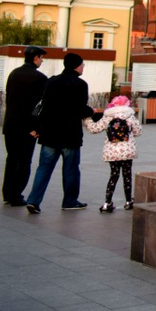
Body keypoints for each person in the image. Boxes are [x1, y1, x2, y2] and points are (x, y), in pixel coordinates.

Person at [25, 53, 95, 213]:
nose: (83, 67)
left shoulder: (51, 81)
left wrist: (38, 127)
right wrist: (92, 111)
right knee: (70, 169)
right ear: (76, 66)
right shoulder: (80, 85)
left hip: (49, 134)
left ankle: (33, 200)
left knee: (44, 167)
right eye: (82, 65)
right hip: (70, 135)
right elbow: (80, 108)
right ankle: (70, 201)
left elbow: (43, 105)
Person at [1, 46, 49, 206]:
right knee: (24, 162)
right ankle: (16, 194)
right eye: (41, 58)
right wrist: (37, 128)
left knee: (11, 159)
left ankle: (7, 193)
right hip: (27, 128)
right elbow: (40, 106)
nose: (42, 61)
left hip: (11, 125)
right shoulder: (40, 78)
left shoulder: (14, 74)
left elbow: (10, 99)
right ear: (35, 58)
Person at [84, 94, 142, 212]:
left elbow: (94, 129)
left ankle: (107, 203)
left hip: (112, 152)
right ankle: (128, 201)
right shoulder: (129, 116)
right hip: (127, 151)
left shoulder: (108, 117)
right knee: (127, 176)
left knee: (114, 175)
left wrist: (87, 119)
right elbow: (138, 131)